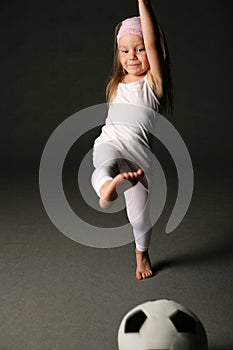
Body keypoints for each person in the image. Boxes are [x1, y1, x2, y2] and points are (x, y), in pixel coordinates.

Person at [91, 0, 172, 280]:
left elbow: (151, 42)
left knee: (139, 218)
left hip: (138, 159)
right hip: (110, 141)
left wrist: (143, 3)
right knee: (103, 165)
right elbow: (132, 50)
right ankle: (107, 188)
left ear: (152, 53)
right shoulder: (116, 83)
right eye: (125, 50)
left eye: (139, 50)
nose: (133, 56)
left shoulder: (153, 84)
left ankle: (142, 254)